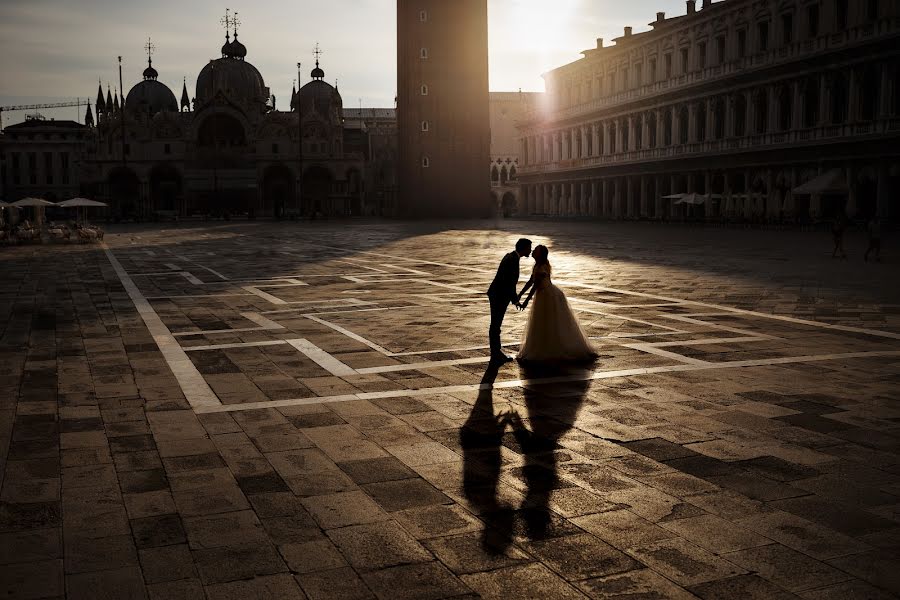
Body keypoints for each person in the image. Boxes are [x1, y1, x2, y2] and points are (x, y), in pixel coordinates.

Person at [516, 245, 597, 362]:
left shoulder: (541, 266)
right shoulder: (538, 265)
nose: (533, 251)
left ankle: (549, 347)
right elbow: (530, 281)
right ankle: (546, 346)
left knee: (548, 322)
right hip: (544, 294)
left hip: (546, 295)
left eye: (536, 250)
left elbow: (535, 285)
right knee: (546, 322)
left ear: (540, 255)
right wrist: (520, 294)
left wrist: (526, 300)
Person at [486, 238, 532, 363]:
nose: (530, 250)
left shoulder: (512, 257)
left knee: (495, 324)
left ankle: (495, 352)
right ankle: (496, 353)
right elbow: (509, 283)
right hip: (499, 295)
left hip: (498, 294)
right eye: (529, 248)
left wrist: (514, 298)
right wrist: (516, 300)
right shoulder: (512, 259)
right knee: (496, 324)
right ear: (524, 248)